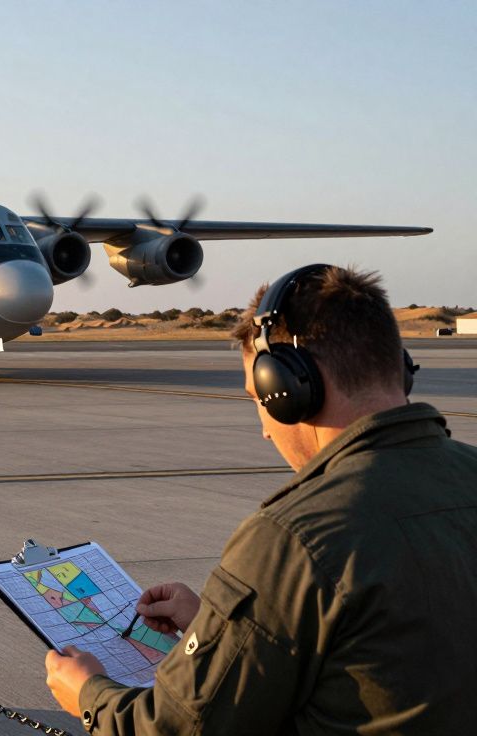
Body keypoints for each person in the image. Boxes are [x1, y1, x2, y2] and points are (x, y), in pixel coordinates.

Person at [45, 264, 477, 734]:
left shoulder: (295, 536)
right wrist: (225, 627)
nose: (265, 430)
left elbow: (176, 728)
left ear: (290, 389)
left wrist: (89, 692)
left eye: (261, 399)